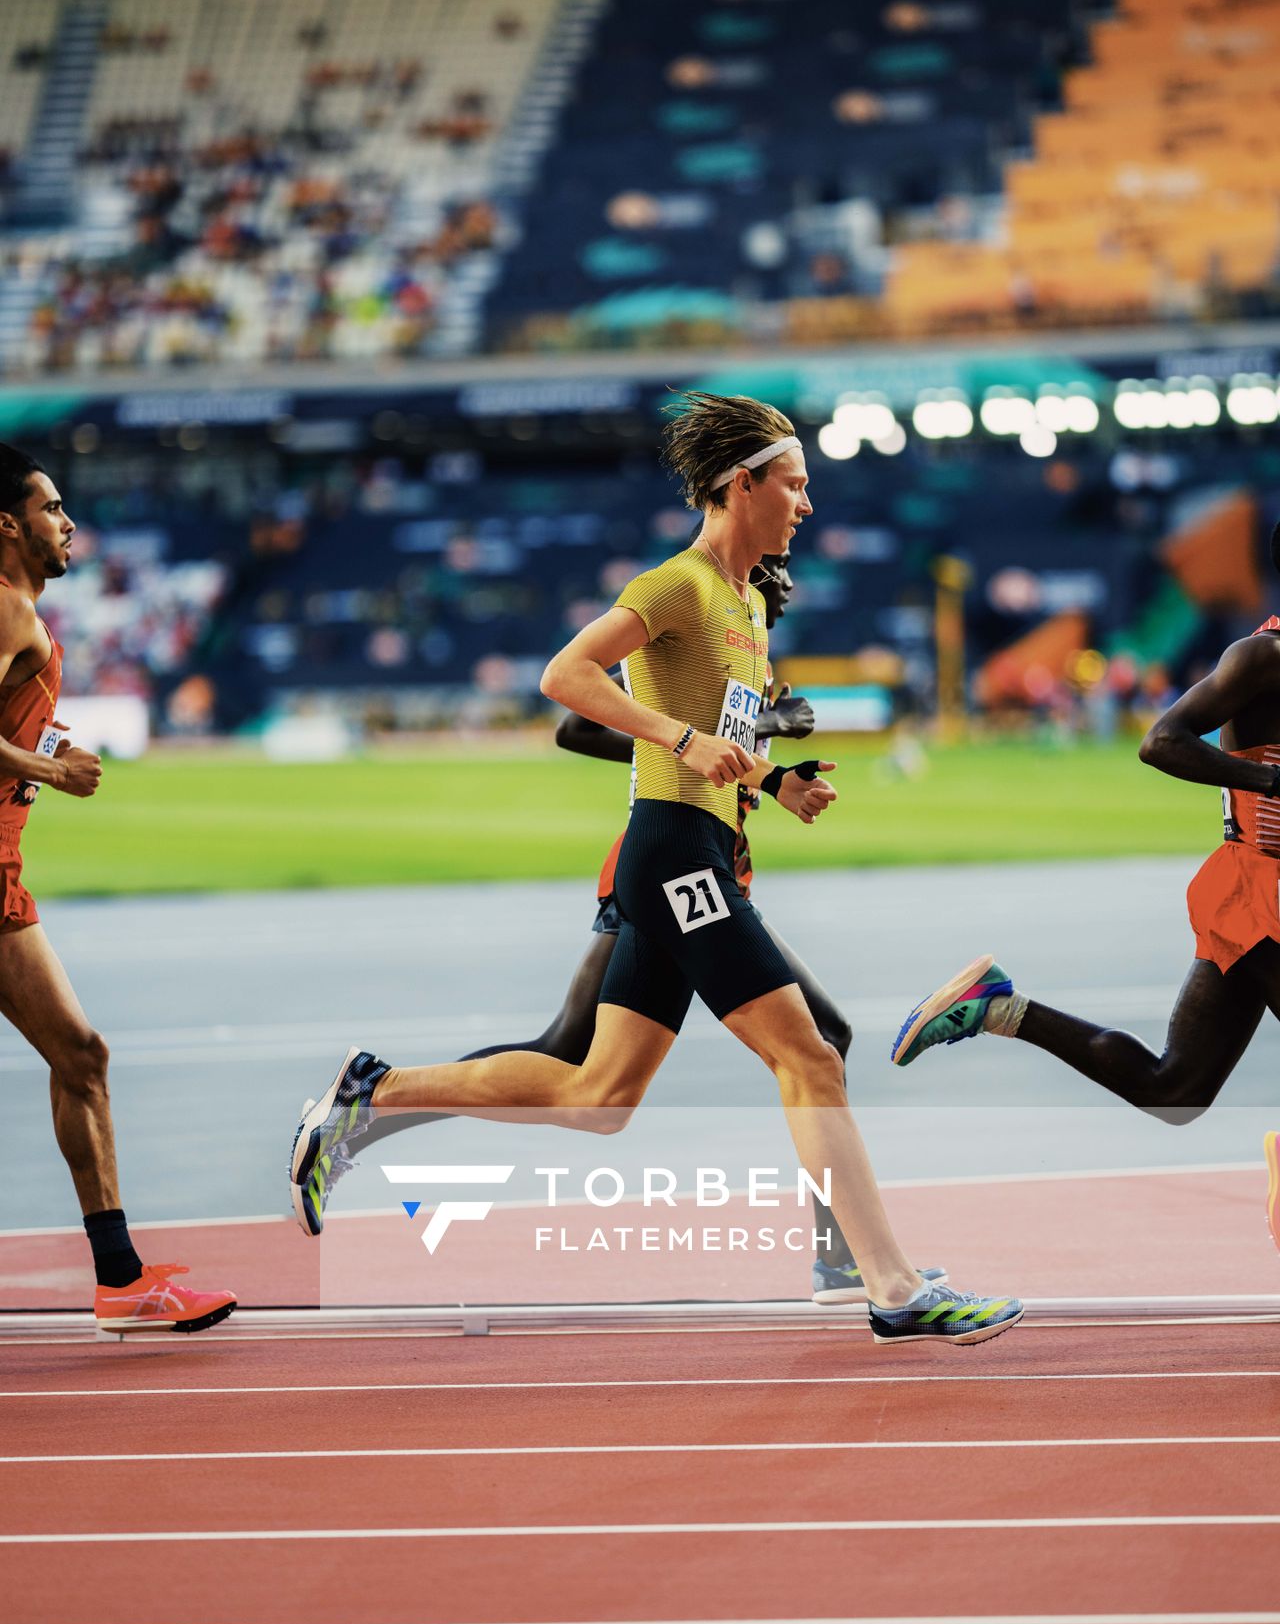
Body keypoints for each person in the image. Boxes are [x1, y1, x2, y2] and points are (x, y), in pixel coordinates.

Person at [291, 391, 1020, 1345]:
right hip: (672, 848)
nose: (808, 504)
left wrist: (776, 780)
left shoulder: (749, 605)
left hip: (699, 845)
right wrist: (678, 735)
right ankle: (886, 1284)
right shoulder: (676, 584)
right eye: (794, 485)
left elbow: (724, 737)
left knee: (598, 1098)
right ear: (741, 484)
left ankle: (370, 1092)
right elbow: (566, 678)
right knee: (808, 1052)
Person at [343, 550, 945, 1304]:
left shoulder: (745, 649)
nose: (776, 600)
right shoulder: (687, 627)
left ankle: (376, 1098)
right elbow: (575, 722)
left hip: (711, 868)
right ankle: (374, 1103)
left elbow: (727, 757)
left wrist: (765, 744)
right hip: (656, 868)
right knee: (591, 1054)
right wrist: (730, 731)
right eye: (770, 586)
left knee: (610, 1089)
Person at [893, 528, 1280, 1256]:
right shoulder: (1263, 656)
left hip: (1260, 895)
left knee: (1174, 1090)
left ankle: (1002, 1009)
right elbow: (1161, 740)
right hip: (1262, 891)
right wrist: (1270, 781)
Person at [0, 444, 236, 1334]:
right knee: (82, 1056)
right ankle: (123, 1278)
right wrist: (47, 772)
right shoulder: (7, 609)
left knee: (81, 1056)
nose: (69, 524)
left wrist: (36, 759)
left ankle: (121, 1276)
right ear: (8, 524)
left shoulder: (22, 613)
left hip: (2, 866)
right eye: (52, 508)